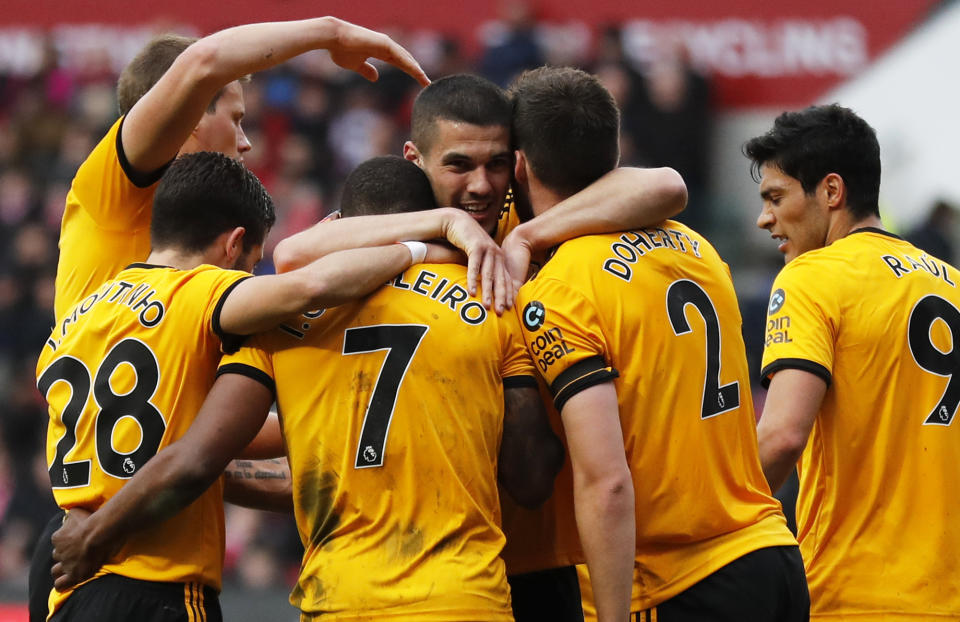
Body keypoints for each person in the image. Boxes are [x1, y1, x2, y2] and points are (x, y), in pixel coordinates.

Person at [30, 18, 431, 622]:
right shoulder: (115, 195)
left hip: (94, 539)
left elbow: (200, 431)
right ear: (188, 110)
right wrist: (329, 32)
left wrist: (334, 431)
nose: (245, 142)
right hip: (126, 558)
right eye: (237, 118)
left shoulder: (152, 269)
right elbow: (203, 61)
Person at [49, 155, 564, 621]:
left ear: (340, 225)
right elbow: (530, 475)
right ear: (234, 244)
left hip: (325, 597)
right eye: (252, 263)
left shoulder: (80, 319)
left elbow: (218, 446)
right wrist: (427, 247)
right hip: (460, 595)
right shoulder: (494, 305)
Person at [272, 72, 689, 622]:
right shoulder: (378, 230)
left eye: (497, 163)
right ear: (413, 156)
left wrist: (523, 237)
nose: (482, 186)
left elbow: (666, 186)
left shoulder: (532, 216)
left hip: (542, 561)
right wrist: (441, 233)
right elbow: (293, 254)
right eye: (459, 165)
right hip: (430, 565)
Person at [511, 66, 807, 622]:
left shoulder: (560, 289)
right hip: (770, 555)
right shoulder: (693, 242)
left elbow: (607, 483)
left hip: (676, 581)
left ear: (520, 165)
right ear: (616, 155)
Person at [745, 104, 960, 620]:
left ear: (831, 192)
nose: (764, 218)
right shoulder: (951, 283)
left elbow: (780, 437)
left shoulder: (811, 277)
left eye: (776, 198)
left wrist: (697, 519)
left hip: (854, 591)